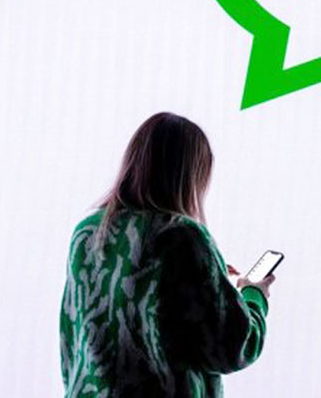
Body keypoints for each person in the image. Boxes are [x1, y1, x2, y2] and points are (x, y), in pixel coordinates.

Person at [60, 112, 275, 397]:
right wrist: (253, 293)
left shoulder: (87, 232)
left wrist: (208, 274)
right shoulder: (182, 236)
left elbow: (72, 341)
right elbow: (233, 348)